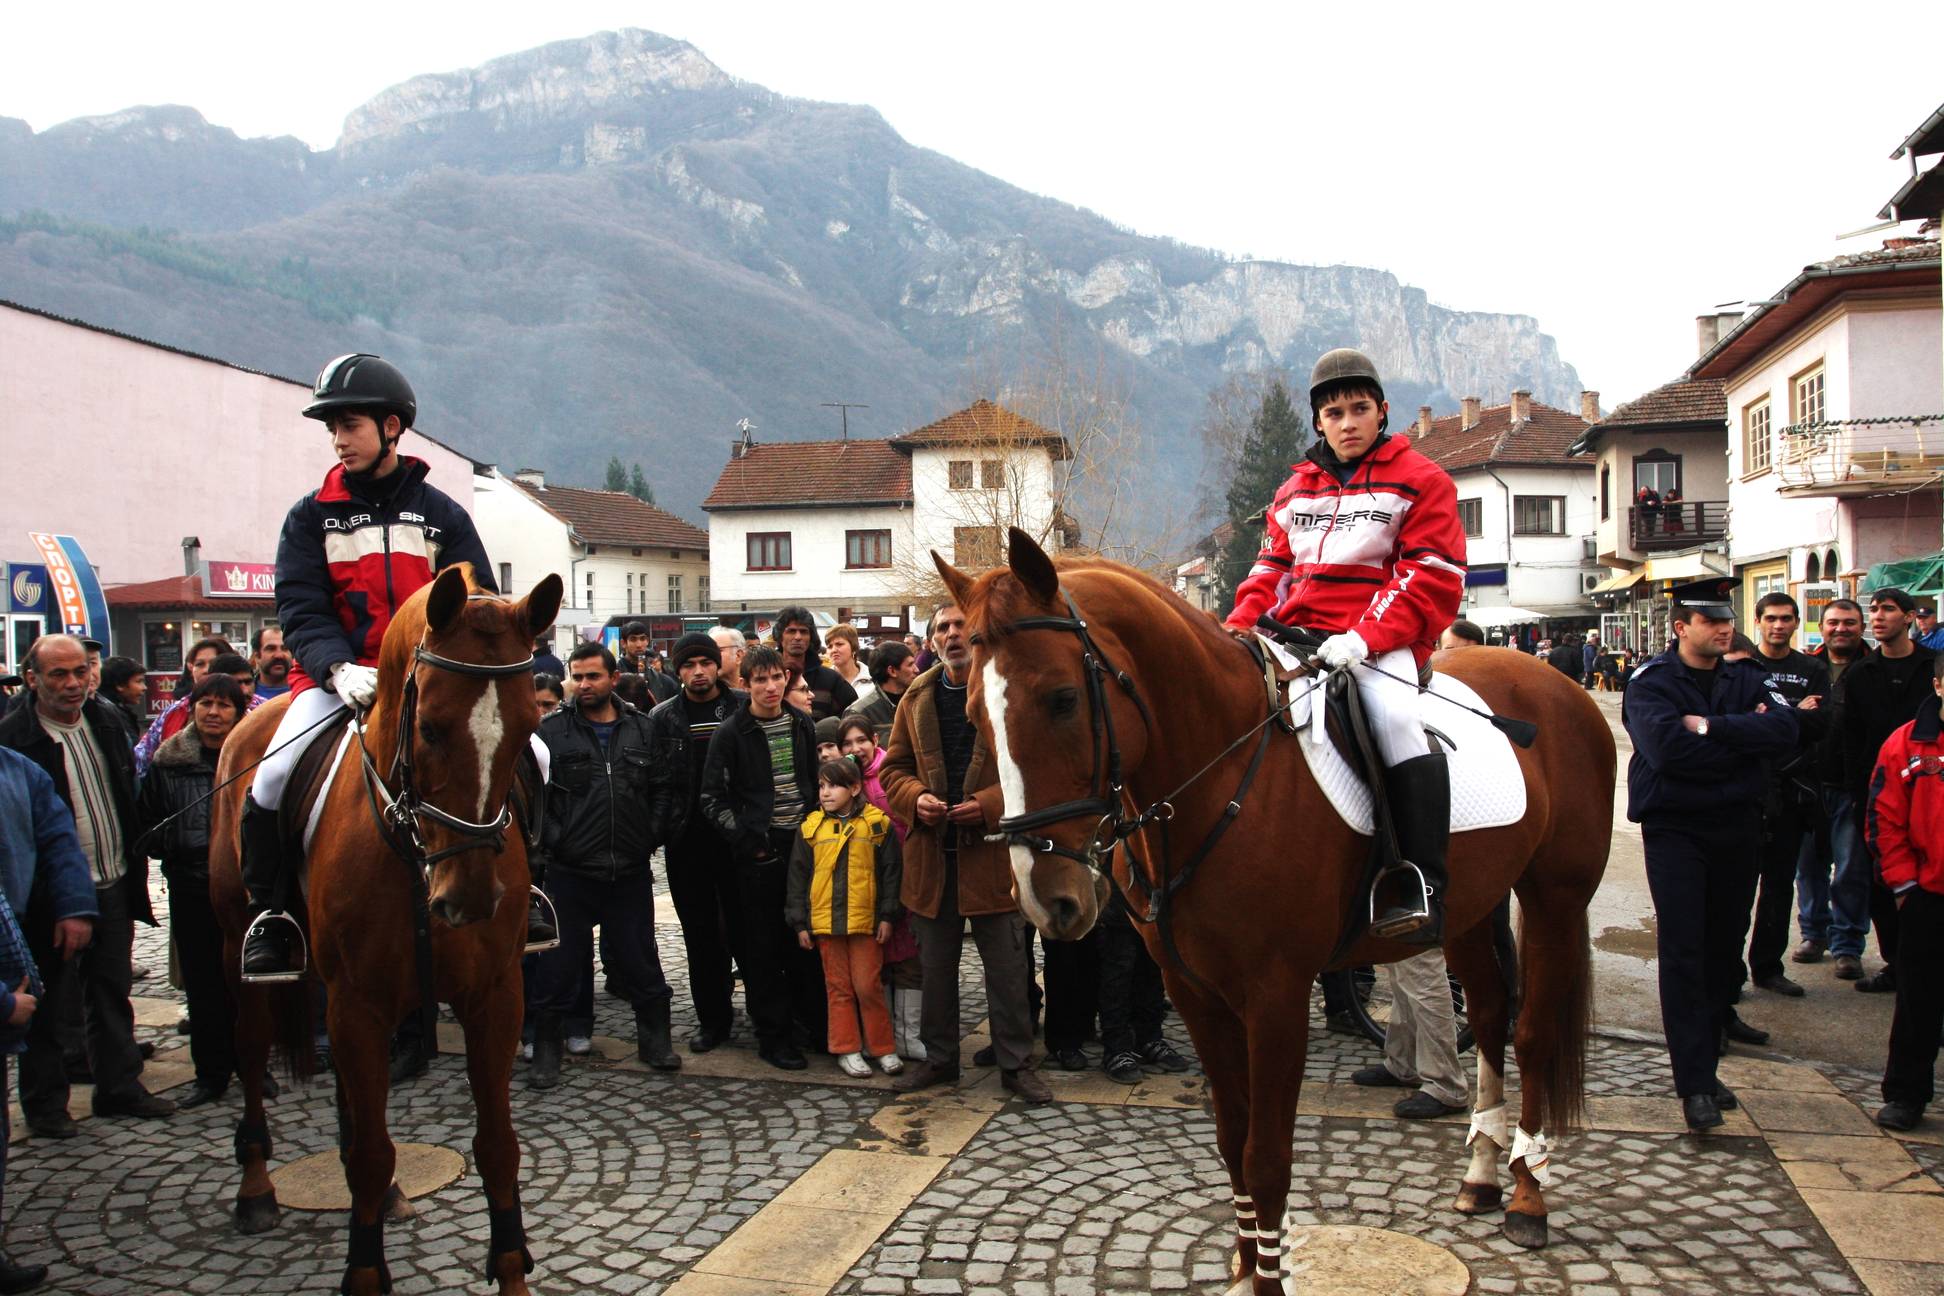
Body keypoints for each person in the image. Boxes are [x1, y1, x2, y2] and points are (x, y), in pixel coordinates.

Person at [237, 353, 502, 978]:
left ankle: (528, 886)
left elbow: (481, 598)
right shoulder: (310, 517)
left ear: (390, 427)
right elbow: (299, 608)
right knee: (271, 777)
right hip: (340, 684)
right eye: (331, 427)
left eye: (348, 425)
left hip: (431, 684)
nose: (337, 439)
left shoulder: (442, 514)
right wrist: (334, 669)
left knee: (532, 759)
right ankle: (270, 913)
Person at [1224, 348, 1465, 943]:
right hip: (1296, 641)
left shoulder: (1422, 480)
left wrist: (1363, 637)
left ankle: (1421, 881)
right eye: (1335, 412)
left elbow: (1429, 573)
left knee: (1394, 719)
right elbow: (1268, 572)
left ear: (1382, 412)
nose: (1348, 422)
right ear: (1319, 423)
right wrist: (1234, 632)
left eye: (1360, 409)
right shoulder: (1290, 493)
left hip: (1381, 644)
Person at [1622, 579, 1799, 1131]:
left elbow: (1786, 730)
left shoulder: (1746, 676)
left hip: (1738, 825)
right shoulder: (1652, 683)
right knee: (1684, 951)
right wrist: (1742, 748)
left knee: (1725, 946)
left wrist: (1714, 729)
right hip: (1677, 828)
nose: (1725, 628)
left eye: (1727, 619)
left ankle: (1711, 1053)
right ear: (1681, 627)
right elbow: (1668, 753)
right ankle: (1695, 1083)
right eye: (1711, 621)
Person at [0, 634, 175, 1132]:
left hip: (114, 876)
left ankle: (119, 1086)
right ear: (32, 679)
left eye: (81, 671)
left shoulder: (107, 719)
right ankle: (46, 1104)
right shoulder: (15, 738)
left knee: (112, 990)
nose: (74, 683)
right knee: (52, 1005)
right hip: (47, 897)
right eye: (60, 674)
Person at [882, 604, 1051, 1103]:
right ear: (931, 641)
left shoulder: (1006, 690)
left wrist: (988, 805)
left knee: (1007, 970)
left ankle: (1016, 1065)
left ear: (976, 636)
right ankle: (940, 1060)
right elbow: (893, 770)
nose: (952, 635)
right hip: (933, 857)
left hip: (993, 854)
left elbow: (1033, 766)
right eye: (942, 629)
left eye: (960, 626)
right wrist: (916, 799)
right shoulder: (916, 696)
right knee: (936, 970)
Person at [527, 644, 679, 1088]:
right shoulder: (551, 733)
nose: (583, 684)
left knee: (641, 960)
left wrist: (648, 834)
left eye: (593, 676)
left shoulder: (642, 730)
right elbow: (536, 799)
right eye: (577, 676)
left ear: (614, 679)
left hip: (628, 870)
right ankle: (547, 1051)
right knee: (558, 967)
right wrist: (558, 841)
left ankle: (656, 1042)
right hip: (570, 874)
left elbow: (662, 788)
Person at [699, 644, 821, 1070]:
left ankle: (811, 1023)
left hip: (803, 847)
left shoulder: (802, 724)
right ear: (744, 684)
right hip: (760, 851)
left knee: (803, 939)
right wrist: (749, 839)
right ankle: (773, 1035)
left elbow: (810, 783)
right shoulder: (732, 732)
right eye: (761, 680)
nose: (771, 687)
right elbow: (712, 799)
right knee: (763, 947)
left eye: (777, 678)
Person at [0, 739, 93, 1292]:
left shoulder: (19, 771)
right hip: (325, 683)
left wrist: (74, 904)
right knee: (272, 782)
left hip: (16, 935)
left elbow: (60, 843)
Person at [135, 674, 248, 1107]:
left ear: (238, 714)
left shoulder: (253, 758)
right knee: (203, 985)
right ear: (193, 708)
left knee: (244, 983)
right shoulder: (169, 762)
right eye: (206, 704)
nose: (213, 713)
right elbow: (146, 822)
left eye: (223, 705)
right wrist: (176, 842)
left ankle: (250, 1062)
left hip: (242, 889)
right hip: (191, 885)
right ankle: (211, 1072)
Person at [647, 633, 746, 1053]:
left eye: (706, 662)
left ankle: (769, 1016)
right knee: (700, 935)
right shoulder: (662, 716)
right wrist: (662, 828)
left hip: (738, 839)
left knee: (748, 931)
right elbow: (657, 780)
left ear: (717, 664)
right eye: (689, 665)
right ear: (678, 670)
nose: (699, 671)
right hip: (688, 840)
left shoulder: (742, 706)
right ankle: (713, 1019)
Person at [1837, 588, 1939, 995]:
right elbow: (1849, 734)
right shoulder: (1862, 672)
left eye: (1888, 610)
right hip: (1875, 792)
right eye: (1874, 610)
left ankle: (1928, 969)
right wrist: (1852, 789)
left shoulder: (1931, 667)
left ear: (1910, 617)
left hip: (1930, 788)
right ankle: (1897, 963)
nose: (1878, 617)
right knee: (1881, 882)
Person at [1865, 652, 1944, 1131]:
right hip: (1928, 894)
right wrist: (1905, 883)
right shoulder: (1909, 743)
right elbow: (1884, 817)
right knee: (1918, 1000)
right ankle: (1906, 1094)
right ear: (1937, 685)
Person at [786, 758, 904, 1077]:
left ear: (854, 788)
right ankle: (846, 1048)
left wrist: (887, 916)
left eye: (833, 785)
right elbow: (798, 877)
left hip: (866, 922)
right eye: (822, 786)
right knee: (838, 987)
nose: (825, 793)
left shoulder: (878, 825)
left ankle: (882, 1047)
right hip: (826, 923)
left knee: (869, 986)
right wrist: (800, 922)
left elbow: (892, 873)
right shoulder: (811, 827)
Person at [1742, 593, 1828, 999]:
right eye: (1771, 618)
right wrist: (1796, 712)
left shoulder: (1812, 667)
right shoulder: (1744, 666)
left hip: (1793, 792)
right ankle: (1730, 972)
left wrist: (1775, 717)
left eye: (1786, 619)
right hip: (1749, 790)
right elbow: (1741, 724)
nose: (1778, 625)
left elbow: (1820, 724)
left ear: (1796, 623)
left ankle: (1768, 967)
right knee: (1738, 888)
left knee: (1779, 885)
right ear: (1758, 621)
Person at [840, 714, 924, 1060]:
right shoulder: (843, 779)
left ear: (875, 739)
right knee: (876, 956)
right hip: (863, 881)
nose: (855, 748)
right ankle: (883, 1035)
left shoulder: (892, 771)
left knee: (909, 954)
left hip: (904, 871)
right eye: (847, 743)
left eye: (861, 740)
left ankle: (910, 1035)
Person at [1796, 598, 1870, 972]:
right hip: (1809, 784)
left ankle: (1848, 945)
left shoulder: (1871, 669)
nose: (1841, 629)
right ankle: (1814, 934)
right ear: (1822, 627)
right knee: (1808, 868)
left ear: (1861, 627)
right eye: (1834, 623)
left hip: (1854, 786)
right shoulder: (1808, 668)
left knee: (1850, 869)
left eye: (1849, 623)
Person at [132, 637, 231, 774]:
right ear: (191, 669)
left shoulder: (255, 708)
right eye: (200, 664)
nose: (206, 670)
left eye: (214, 663)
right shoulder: (175, 711)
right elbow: (142, 758)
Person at [771, 606, 855, 721]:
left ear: (811, 637)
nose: (798, 637)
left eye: (804, 631)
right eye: (791, 631)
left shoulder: (831, 680)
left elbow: (853, 720)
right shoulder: (767, 678)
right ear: (780, 636)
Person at [845, 641, 917, 745]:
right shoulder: (859, 712)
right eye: (910, 665)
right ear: (892, 671)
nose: (917, 669)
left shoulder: (918, 701)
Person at [99, 657, 148, 744]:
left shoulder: (113, 710)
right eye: (139, 681)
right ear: (120, 685)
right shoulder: (112, 716)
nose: (144, 688)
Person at [825, 625, 873, 705]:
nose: (833, 650)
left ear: (853, 648)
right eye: (830, 646)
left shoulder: (873, 679)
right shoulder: (823, 680)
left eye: (839, 644)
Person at [250, 627, 294, 700]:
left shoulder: (308, 693)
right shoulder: (244, 696)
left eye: (285, 648)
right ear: (257, 656)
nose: (279, 655)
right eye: (271, 649)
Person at [709, 626, 748, 692]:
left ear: (738, 655)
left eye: (717, 650)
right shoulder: (699, 695)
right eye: (708, 652)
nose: (710, 656)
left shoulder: (758, 689)